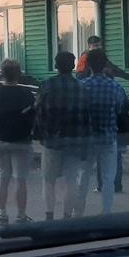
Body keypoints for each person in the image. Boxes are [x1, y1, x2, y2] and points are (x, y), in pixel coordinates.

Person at [33, 51, 89, 220]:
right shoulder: (82, 87)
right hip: (75, 140)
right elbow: (87, 117)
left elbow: (38, 111)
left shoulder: (46, 85)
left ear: (56, 66)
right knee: (71, 181)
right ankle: (67, 217)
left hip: (52, 141)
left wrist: (43, 133)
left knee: (48, 180)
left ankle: (49, 215)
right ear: (73, 66)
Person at [79, 48, 129, 215]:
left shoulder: (82, 86)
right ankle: (106, 212)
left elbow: (77, 110)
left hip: (88, 138)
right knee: (109, 178)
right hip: (109, 137)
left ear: (88, 65)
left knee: (83, 176)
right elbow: (120, 108)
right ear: (105, 64)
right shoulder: (115, 86)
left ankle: (77, 212)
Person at [0, 59, 36, 225]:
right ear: (19, 74)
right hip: (21, 141)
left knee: (2, 178)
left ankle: (2, 214)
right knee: (20, 179)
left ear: (2, 74)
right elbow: (32, 117)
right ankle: (21, 215)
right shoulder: (26, 95)